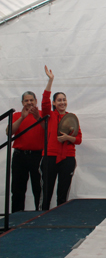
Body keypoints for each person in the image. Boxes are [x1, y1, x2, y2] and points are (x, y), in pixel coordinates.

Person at [41, 66, 82, 210]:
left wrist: (67, 138)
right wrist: (50, 80)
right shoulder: (49, 115)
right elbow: (44, 101)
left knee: (62, 193)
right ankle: (43, 217)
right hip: (50, 156)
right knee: (46, 192)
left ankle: (60, 218)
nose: (62, 102)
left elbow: (78, 139)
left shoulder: (72, 118)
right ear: (54, 103)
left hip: (68, 158)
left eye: (64, 100)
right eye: (59, 100)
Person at [8, 91, 44, 212]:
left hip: (37, 156)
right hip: (19, 156)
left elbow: (48, 129)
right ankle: (16, 219)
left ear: (35, 101)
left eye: (31, 100)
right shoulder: (17, 115)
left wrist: (37, 118)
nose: (29, 103)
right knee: (17, 190)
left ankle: (40, 216)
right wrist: (22, 118)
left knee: (38, 189)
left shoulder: (42, 115)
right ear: (22, 103)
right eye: (26, 100)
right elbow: (9, 132)